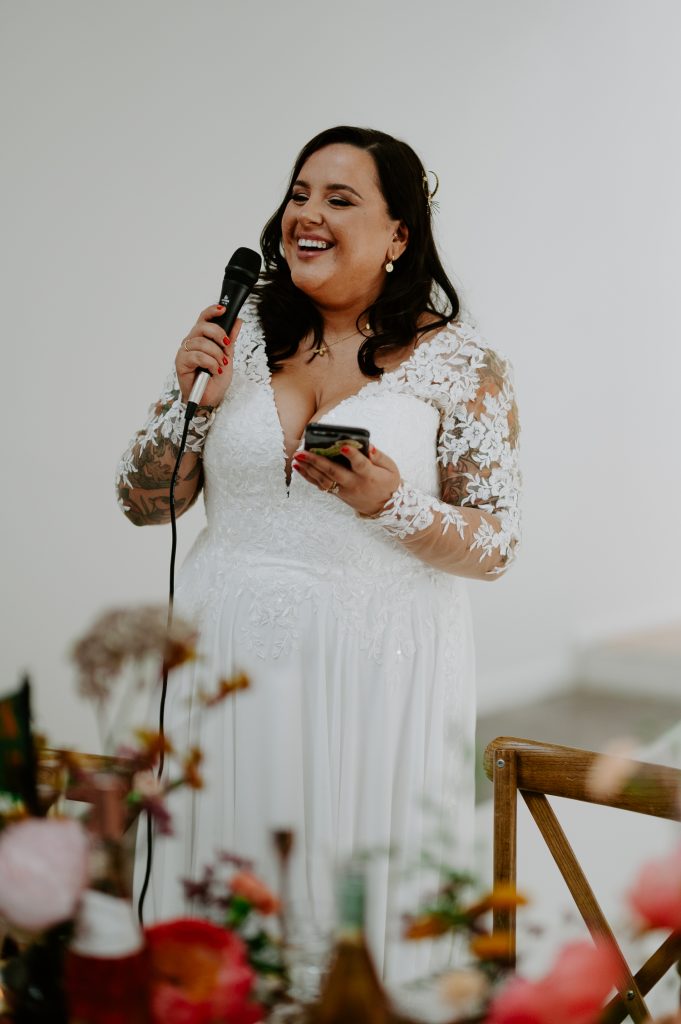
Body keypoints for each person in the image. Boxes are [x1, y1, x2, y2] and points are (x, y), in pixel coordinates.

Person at [116, 125, 521, 980]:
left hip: (377, 674)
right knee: (222, 893)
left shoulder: (464, 366)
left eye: (340, 200)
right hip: (226, 660)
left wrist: (393, 503)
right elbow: (144, 503)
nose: (307, 215)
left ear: (398, 234)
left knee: (349, 911)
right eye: (300, 194)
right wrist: (189, 399)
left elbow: (494, 545)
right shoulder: (238, 332)